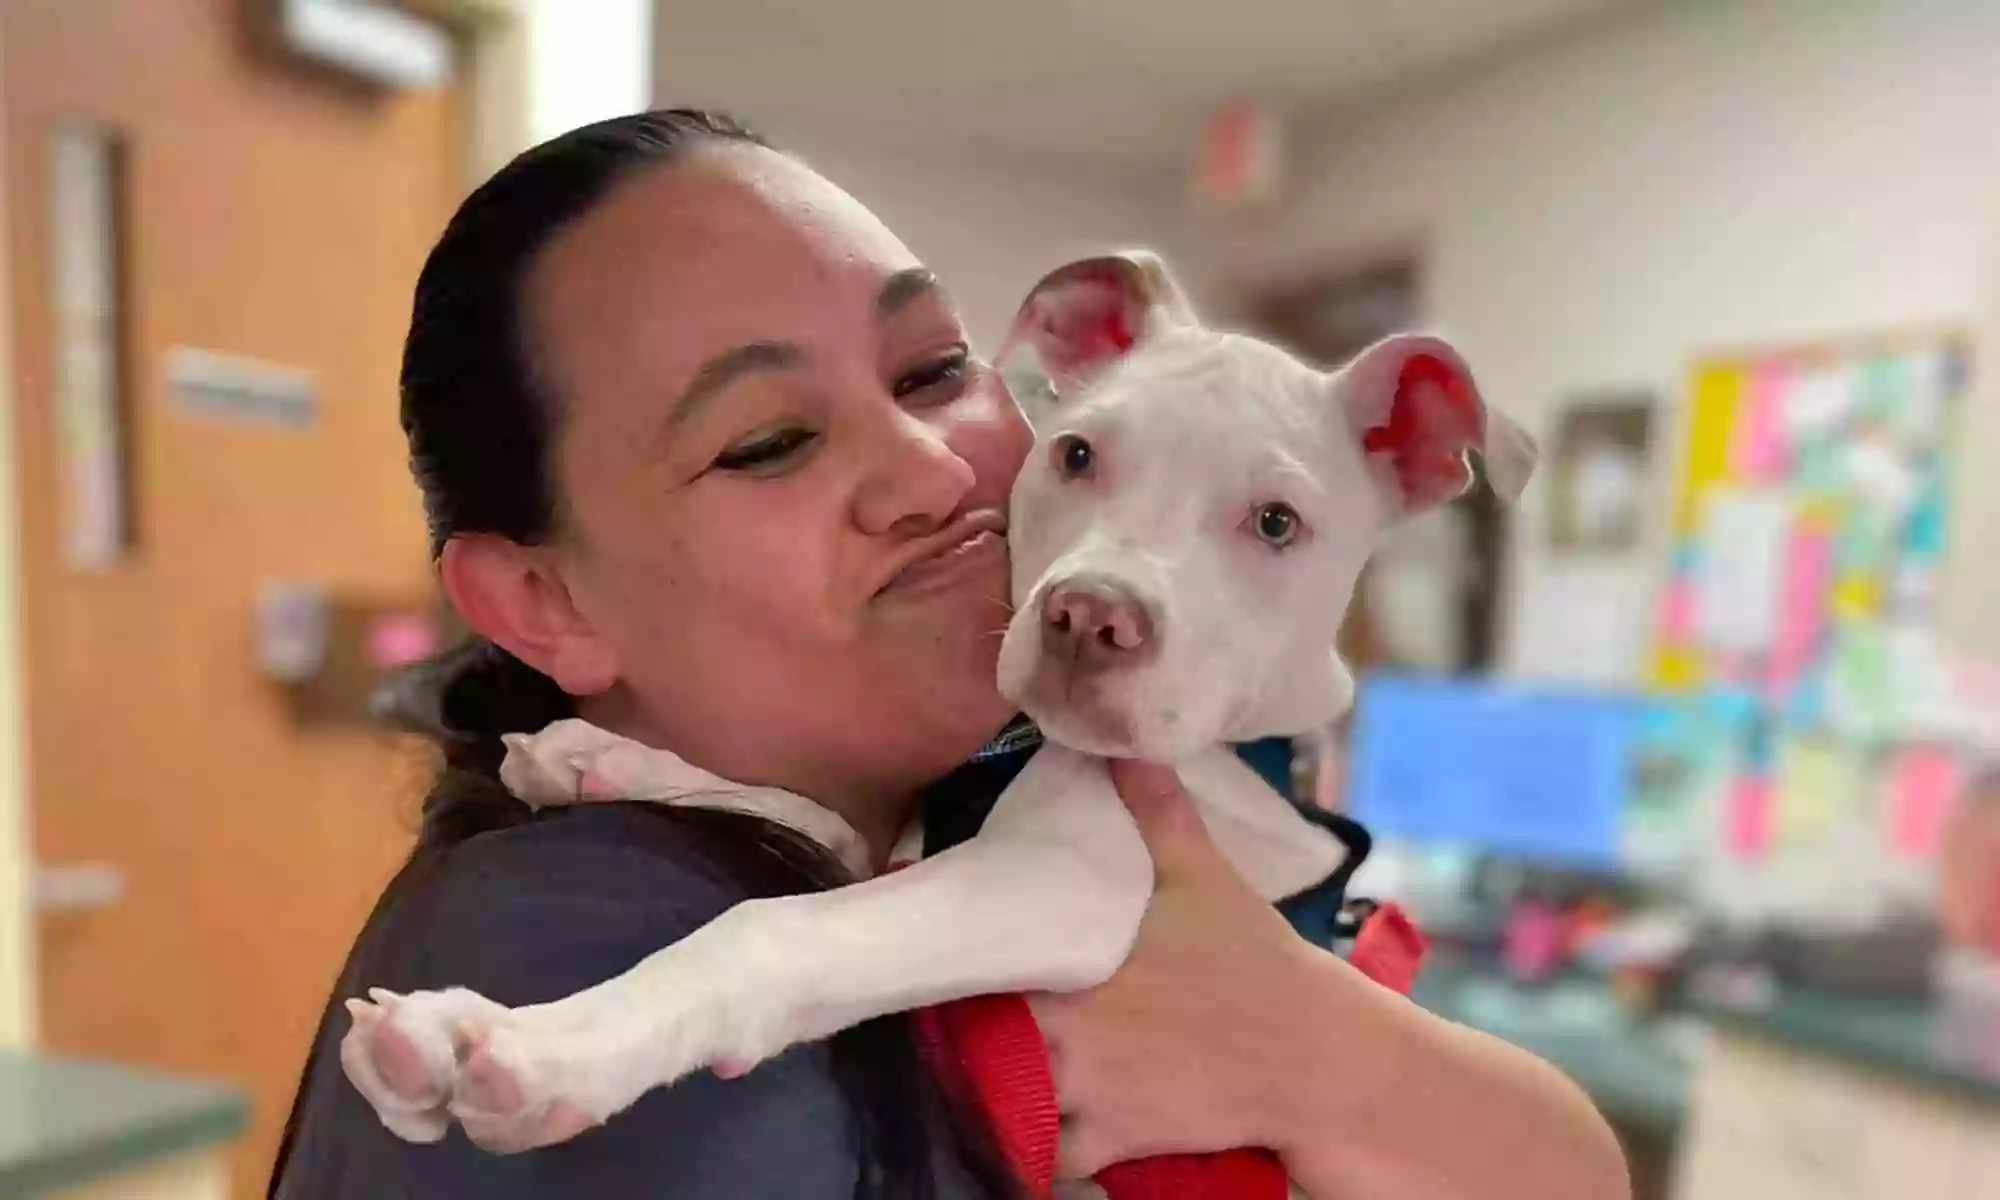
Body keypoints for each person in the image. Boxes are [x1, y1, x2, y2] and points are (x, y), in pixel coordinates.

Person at [270, 109, 1628, 1199]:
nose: (929, 469)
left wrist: (1332, 1057)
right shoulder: (550, 932)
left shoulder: (1054, 784)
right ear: (544, 600)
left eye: (931, 372)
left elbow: (1573, 1164)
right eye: (767, 441)